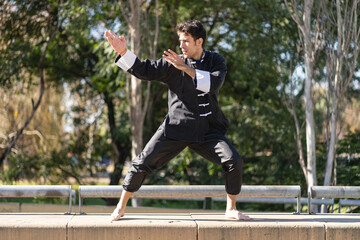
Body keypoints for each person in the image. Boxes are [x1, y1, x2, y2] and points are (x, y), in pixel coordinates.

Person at [104, 20, 250, 221]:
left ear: (199, 41)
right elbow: (145, 69)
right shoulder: (173, 62)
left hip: (207, 130)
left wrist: (186, 68)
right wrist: (123, 52)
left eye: (186, 41)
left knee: (233, 160)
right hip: (175, 128)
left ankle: (231, 209)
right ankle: (120, 207)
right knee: (142, 162)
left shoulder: (216, 61)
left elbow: (213, 84)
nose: (181, 46)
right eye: (180, 41)